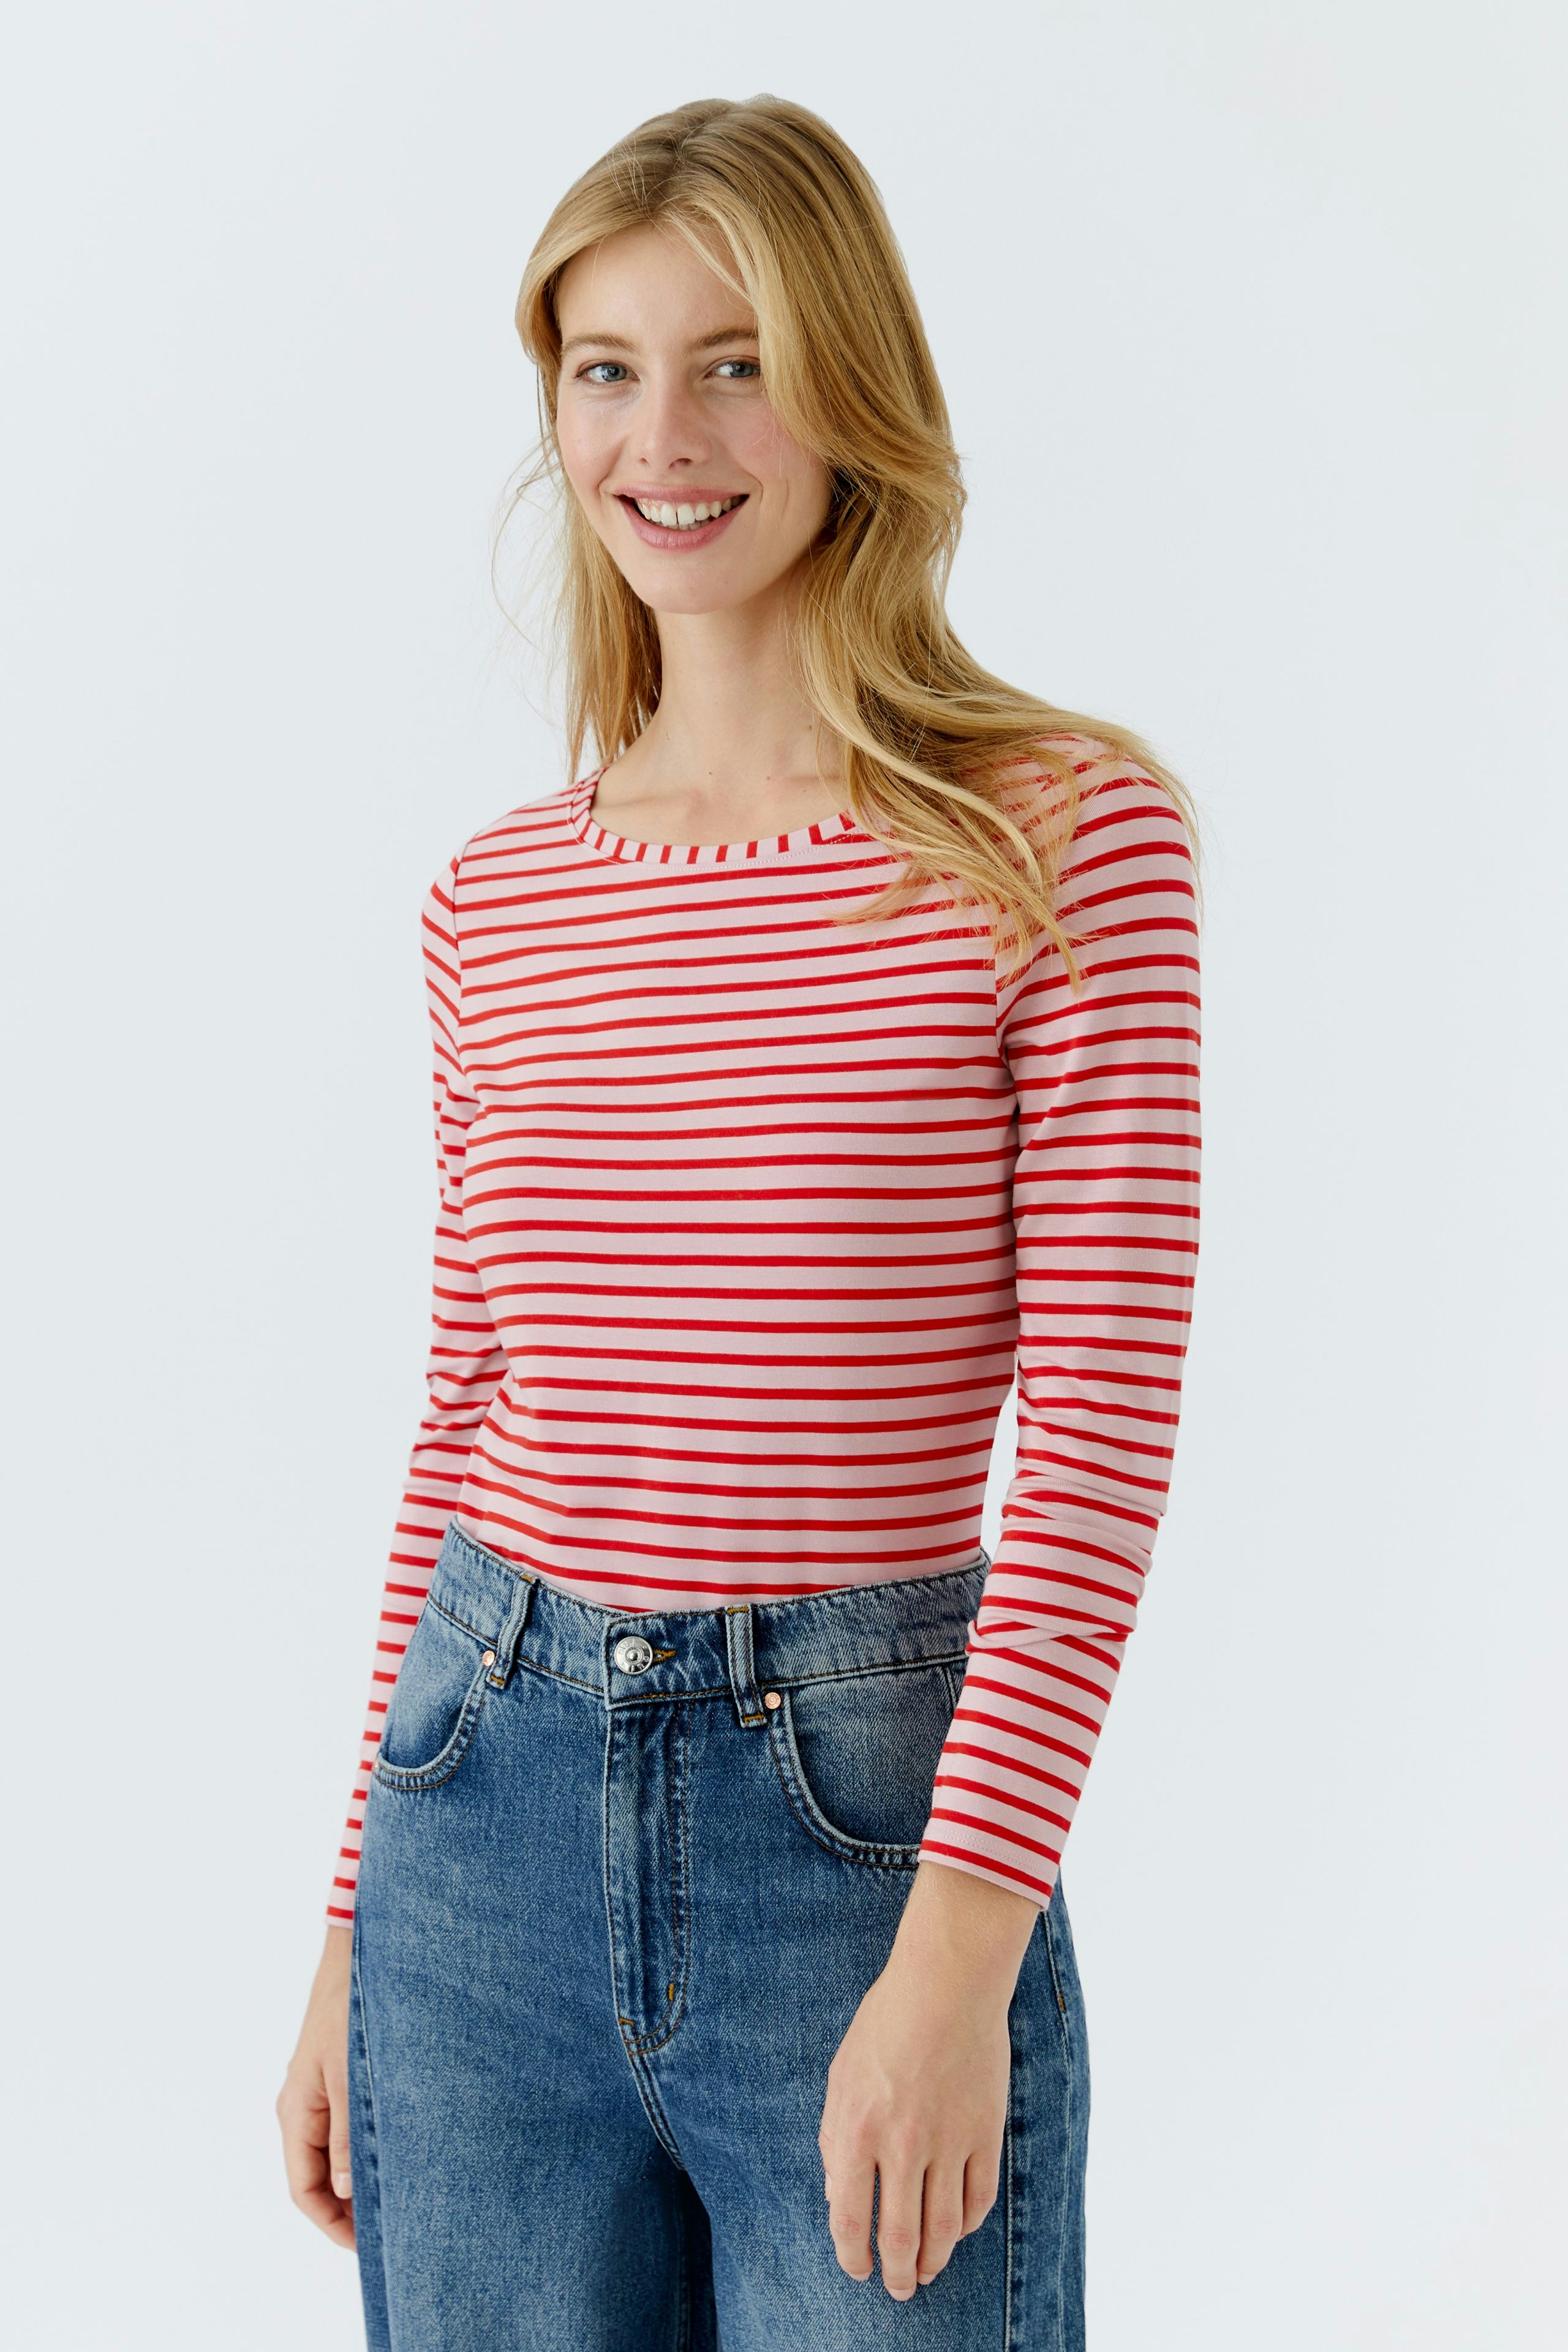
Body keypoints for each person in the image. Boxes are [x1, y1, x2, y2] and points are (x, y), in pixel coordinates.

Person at [276, 92, 1202, 2351]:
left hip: (862, 1832)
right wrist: (346, 1933)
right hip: (473, 1826)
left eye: (737, 358)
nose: (664, 433)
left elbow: (1093, 1422)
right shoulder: (500, 899)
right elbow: (466, 1411)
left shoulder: (1058, 836)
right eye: (606, 365)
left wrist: (964, 1951)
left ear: (852, 391)